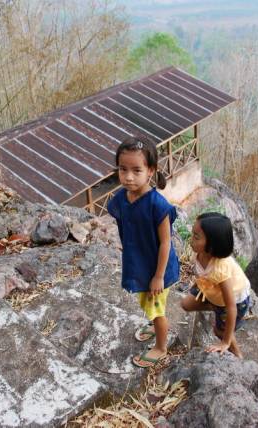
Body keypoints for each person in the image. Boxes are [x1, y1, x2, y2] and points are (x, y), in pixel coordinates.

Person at [107, 136, 180, 368]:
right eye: (123, 169)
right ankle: (155, 326)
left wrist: (158, 276)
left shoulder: (157, 205)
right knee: (148, 303)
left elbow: (165, 243)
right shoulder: (121, 198)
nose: (128, 177)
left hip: (156, 267)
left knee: (156, 309)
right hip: (139, 262)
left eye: (136, 170)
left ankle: (161, 347)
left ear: (151, 171)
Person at [180, 212, 251, 358]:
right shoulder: (200, 252)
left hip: (234, 300)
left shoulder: (220, 270)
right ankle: (215, 307)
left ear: (211, 246)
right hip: (209, 287)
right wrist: (197, 285)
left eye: (196, 237)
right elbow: (202, 273)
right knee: (186, 304)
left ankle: (237, 354)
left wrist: (224, 341)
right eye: (193, 234)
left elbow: (231, 307)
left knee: (219, 331)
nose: (191, 240)